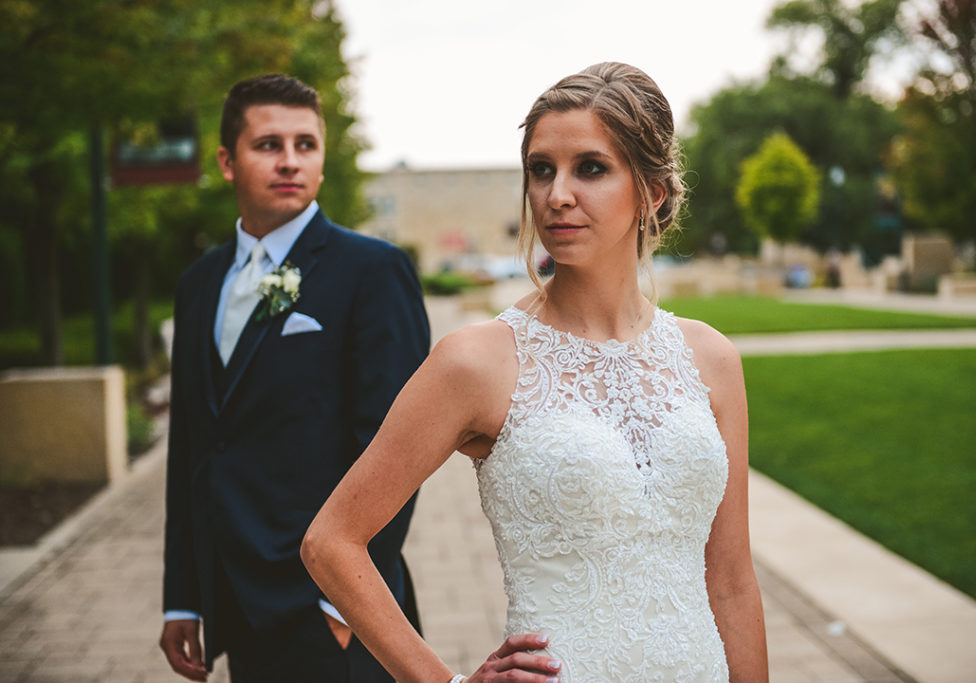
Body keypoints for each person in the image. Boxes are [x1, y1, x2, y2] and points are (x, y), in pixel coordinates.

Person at [301, 62, 768, 681]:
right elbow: (331, 542)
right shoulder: (477, 361)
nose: (557, 194)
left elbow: (731, 579)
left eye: (591, 168)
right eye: (542, 169)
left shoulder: (711, 360)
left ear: (652, 192)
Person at [159, 73, 429, 682]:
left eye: (305, 145)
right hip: (235, 601)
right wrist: (184, 596)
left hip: (332, 607)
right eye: (268, 145)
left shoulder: (374, 272)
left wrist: (344, 602)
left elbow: (397, 451)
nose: (289, 162)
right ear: (228, 161)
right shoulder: (198, 284)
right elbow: (195, 448)